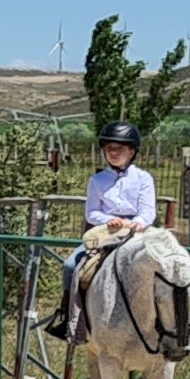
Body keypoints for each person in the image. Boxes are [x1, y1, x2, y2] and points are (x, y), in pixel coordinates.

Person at [44, 124, 159, 340]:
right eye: (109, 149)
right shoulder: (97, 181)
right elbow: (92, 213)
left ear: (132, 151)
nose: (113, 153)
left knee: (174, 265)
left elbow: (147, 211)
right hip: (106, 232)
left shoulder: (144, 179)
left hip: (138, 232)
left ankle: (185, 323)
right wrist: (109, 221)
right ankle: (68, 317)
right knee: (70, 266)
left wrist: (137, 223)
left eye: (119, 149)